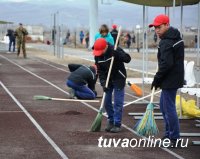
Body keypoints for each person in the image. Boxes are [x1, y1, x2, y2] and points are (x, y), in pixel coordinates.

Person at [149, 14, 184, 147]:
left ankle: (174, 138)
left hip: (171, 78)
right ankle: (169, 134)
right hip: (171, 77)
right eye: (155, 27)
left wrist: (157, 79)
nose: (157, 30)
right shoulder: (171, 38)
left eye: (159, 27)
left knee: (169, 108)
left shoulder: (167, 42)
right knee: (163, 107)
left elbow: (166, 64)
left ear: (167, 25)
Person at [93, 38, 131, 133]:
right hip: (107, 79)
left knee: (118, 102)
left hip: (119, 77)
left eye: (100, 51)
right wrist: (103, 83)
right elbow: (100, 71)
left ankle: (117, 124)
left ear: (105, 47)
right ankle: (111, 120)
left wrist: (117, 54)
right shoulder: (97, 56)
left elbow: (127, 59)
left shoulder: (115, 49)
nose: (99, 54)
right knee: (106, 101)